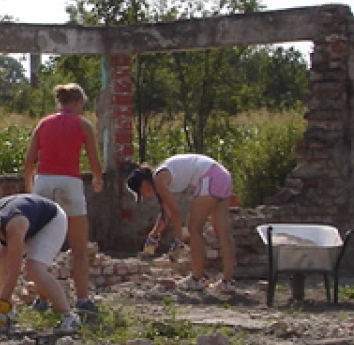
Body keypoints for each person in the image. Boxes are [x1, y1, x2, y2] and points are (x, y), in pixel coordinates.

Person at [22, 83, 105, 312]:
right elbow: (94, 160)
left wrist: (31, 191)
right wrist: (97, 179)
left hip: (44, 183)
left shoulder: (43, 124)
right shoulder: (83, 125)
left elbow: (29, 163)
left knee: (41, 246)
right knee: (79, 246)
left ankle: (43, 299)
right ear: (78, 102)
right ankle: (82, 300)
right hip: (70, 183)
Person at [0, 193, 82, 336]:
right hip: (26, 220)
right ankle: (9, 312)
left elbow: (14, 271)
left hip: (50, 221)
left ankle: (68, 316)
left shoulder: (14, 226)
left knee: (33, 268)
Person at [126, 154, 237, 292]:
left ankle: (196, 279)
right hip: (222, 175)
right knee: (223, 232)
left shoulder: (158, 179)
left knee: (194, 229)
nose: (146, 196)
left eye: (142, 193)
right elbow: (166, 214)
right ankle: (228, 281)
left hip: (209, 177)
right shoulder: (161, 177)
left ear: (144, 184)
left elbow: (176, 212)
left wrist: (178, 242)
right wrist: (153, 235)